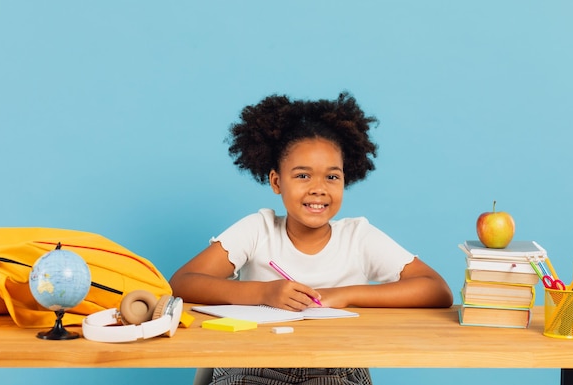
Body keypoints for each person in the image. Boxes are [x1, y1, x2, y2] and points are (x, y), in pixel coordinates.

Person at [170, 92, 453, 385]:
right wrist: (263, 294)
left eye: (332, 177)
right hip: (254, 364)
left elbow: (437, 290)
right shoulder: (257, 229)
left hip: (336, 369)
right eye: (303, 176)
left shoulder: (358, 237)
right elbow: (181, 282)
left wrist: (343, 295)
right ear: (277, 182)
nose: (318, 188)